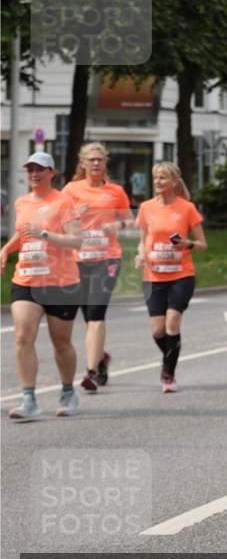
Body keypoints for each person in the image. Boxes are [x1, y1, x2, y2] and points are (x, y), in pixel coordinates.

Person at [1, 152, 82, 420]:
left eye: (40, 169)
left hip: (60, 283)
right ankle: (28, 399)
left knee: (61, 343)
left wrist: (45, 234)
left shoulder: (63, 202)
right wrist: (6, 249)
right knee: (23, 337)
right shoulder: (22, 202)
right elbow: (23, 232)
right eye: (30, 170)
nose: (34, 174)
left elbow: (76, 240)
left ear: (52, 173)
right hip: (26, 279)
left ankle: (68, 392)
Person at [62, 142, 133, 392]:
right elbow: (58, 222)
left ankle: (90, 372)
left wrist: (117, 226)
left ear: (105, 163)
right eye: (91, 159)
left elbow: (129, 220)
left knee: (96, 314)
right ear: (82, 163)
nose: (95, 163)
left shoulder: (115, 191)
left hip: (107, 258)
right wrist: (74, 213)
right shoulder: (71, 190)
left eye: (99, 160)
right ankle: (101, 358)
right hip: (78, 260)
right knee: (88, 318)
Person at [135, 162, 207, 393]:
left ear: (174, 181)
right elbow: (142, 241)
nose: (157, 181)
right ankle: (170, 355)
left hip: (181, 275)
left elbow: (202, 244)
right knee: (158, 331)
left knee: (172, 323)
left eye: (163, 177)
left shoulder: (187, 208)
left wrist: (188, 244)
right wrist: (140, 255)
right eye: (155, 177)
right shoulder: (146, 207)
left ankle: (168, 374)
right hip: (153, 276)